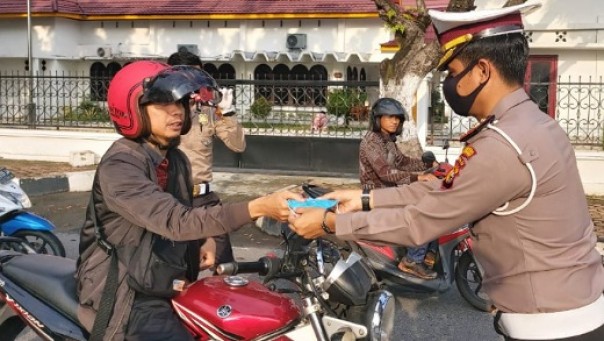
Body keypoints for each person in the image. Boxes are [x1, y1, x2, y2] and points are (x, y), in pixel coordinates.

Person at [289, 2, 604, 340]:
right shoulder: (535, 125)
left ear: (482, 70)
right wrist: (364, 199)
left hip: (554, 327)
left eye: (453, 72)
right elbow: (441, 188)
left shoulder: (503, 146)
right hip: (572, 309)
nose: (449, 84)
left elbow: (420, 221)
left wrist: (329, 223)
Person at [75, 61, 300, 341]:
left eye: (180, 103)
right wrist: (258, 207)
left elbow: (185, 210)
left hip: (162, 277)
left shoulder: (175, 158)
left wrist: (202, 241)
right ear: (132, 109)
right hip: (125, 289)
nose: (176, 112)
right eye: (162, 104)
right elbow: (174, 220)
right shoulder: (120, 166)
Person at [167, 50, 246, 268]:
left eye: (197, 77)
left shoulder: (209, 110)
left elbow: (237, 145)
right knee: (173, 269)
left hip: (203, 199)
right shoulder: (161, 111)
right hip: (170, 200)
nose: (192, 83)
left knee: (224, 266)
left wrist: (228, 112)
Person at [359, 97, 438, 279]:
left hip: (391, 193)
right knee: (421, 214)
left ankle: (428, 253)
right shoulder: (371, 142)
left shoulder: (388, 141)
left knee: (434, 206)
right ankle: (411, 260)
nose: (395, 121)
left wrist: (428, 164)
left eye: (398, 118)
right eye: (390, 117)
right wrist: (419, 177)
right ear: (378, 118)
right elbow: (386, 173)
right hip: (377, 195)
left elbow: (403, 162)